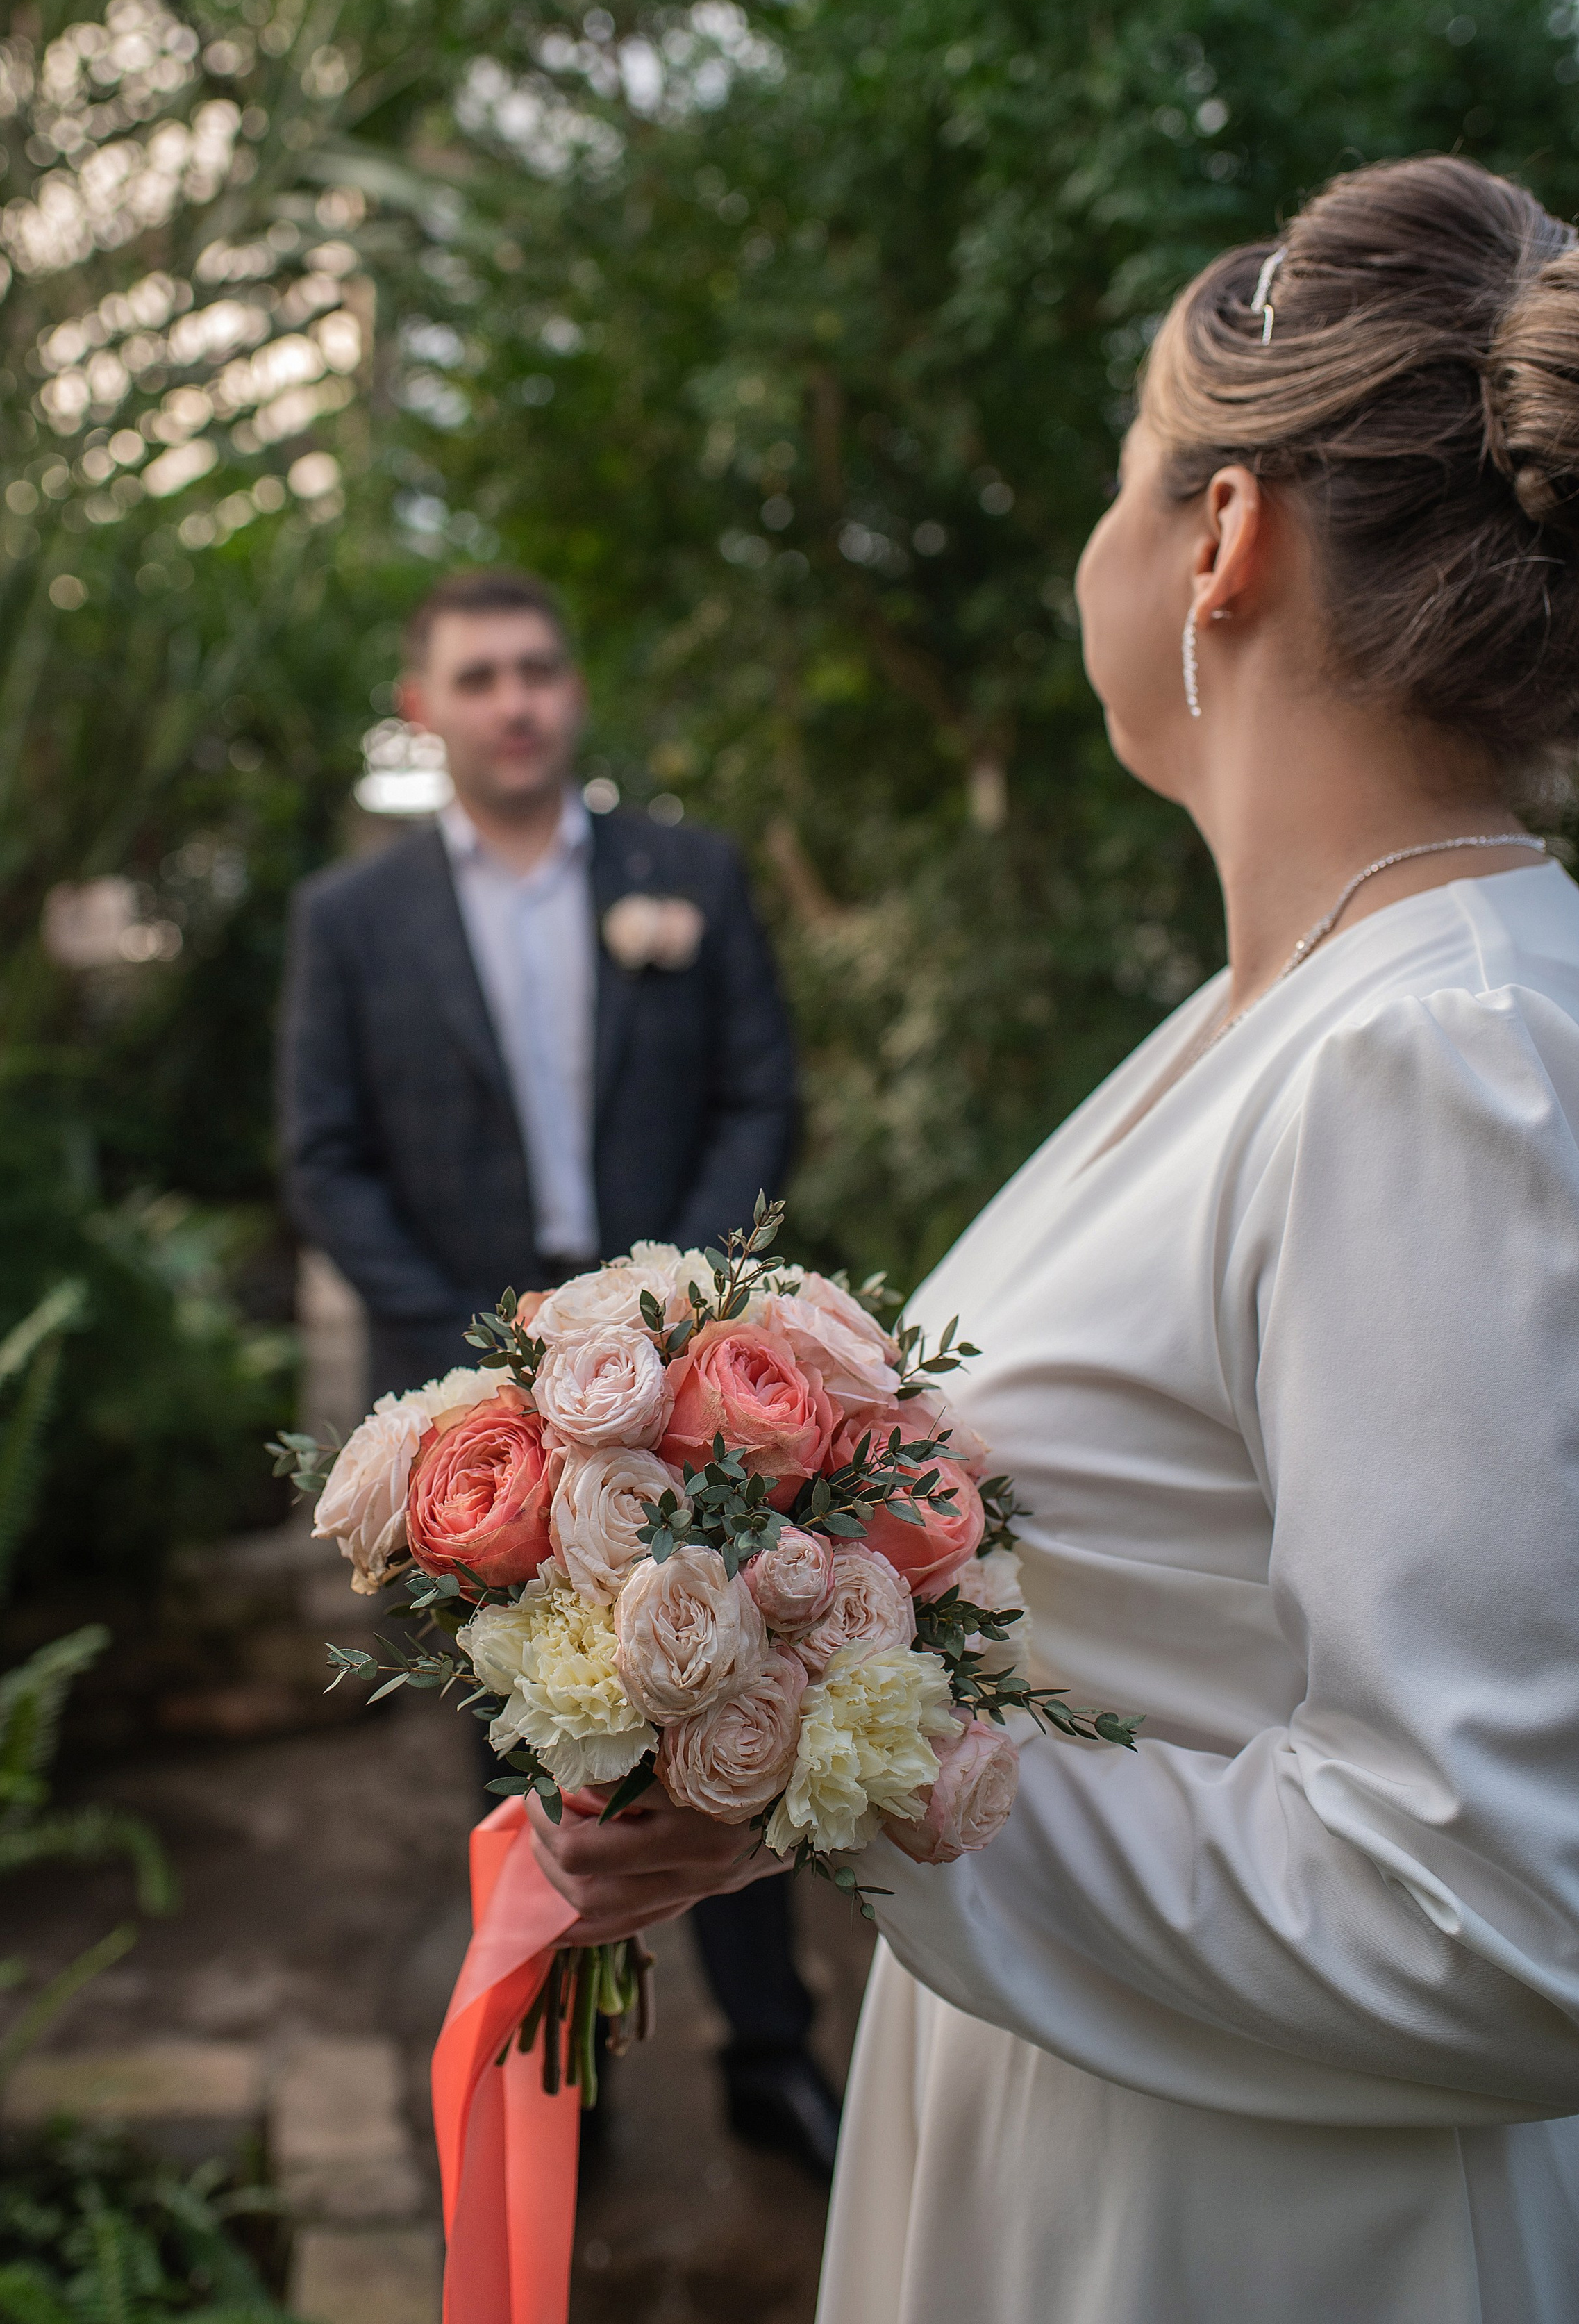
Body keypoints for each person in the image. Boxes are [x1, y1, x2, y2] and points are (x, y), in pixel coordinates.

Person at [521, 156, 1579, 2321]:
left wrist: (837, 1801)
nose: (1085, 550)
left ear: (1223, 537)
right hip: (1088, 2111)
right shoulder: (1272, 1010)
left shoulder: (1443, 1061)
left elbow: (1499, 1906)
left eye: (1121, 481)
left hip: (1251, 2223)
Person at [278, 565, 841, 2176]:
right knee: (529, 1728)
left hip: (689, 1374)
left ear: (571, 688)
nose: (513, 698)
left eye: (536, 667)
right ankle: (562, 2085)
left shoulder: (689, 875)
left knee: (737, 1689)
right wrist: (478, 1357)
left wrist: (682, 1312)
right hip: (478, 1403)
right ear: (425, 707)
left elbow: (756, 1094)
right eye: (478, 676)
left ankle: (768, 2049)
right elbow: (322, 1158)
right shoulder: (350, 918)